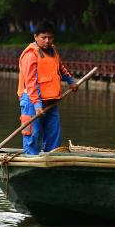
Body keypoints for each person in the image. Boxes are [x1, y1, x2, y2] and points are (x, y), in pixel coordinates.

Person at [17, 21, 77, 155]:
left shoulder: (54, 50)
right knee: (33, 135)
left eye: (50, 37)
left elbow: (60, 68)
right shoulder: (30, 54)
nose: (47, 41)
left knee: (54, 135)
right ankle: (30, 160)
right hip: (32, 102)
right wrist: (37, 104)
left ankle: (51, 160)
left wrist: (70, 81)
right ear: (35, 37)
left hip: (51, 100)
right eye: (43, 37)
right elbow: (31, 82)